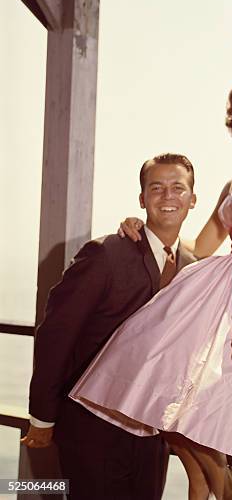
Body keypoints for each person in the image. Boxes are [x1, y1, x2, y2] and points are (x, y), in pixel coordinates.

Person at [69, 73, 232, 499]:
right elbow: (203, 244)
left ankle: (228, 489)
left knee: (212, 419)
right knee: (167, 403)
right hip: (214, 292)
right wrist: (147, 225)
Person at [22, 154, 198, 500]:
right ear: (142, 199)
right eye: (156, 188)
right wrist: (42, 417)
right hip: (91, 432)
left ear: (192, 200)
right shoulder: (105, 254)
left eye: (178, 188)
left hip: (150, 436)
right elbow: (56, 335)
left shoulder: (191, 268)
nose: (167, 196)